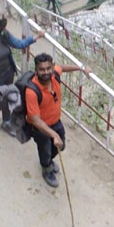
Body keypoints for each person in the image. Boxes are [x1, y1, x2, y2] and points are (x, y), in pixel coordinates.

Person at [25, 53, 91, 187]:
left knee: (61, 146)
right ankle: (46, 169)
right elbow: (35, 120)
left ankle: (48, 161)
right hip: (40, 128)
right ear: (36, 71)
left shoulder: (55, 75)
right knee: (45, 150)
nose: (46, 72)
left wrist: (81, 68)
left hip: (56, 122)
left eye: (48, 68)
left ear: (52, 67)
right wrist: (53, 134)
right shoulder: (31, 91)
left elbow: (63, 67)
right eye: (42, 69)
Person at [0, 14, 45, 133]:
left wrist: (36, 37)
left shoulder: (4, 35)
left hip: (8, 74)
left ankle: (7, 121)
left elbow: (18, 44)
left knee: (8, 98)